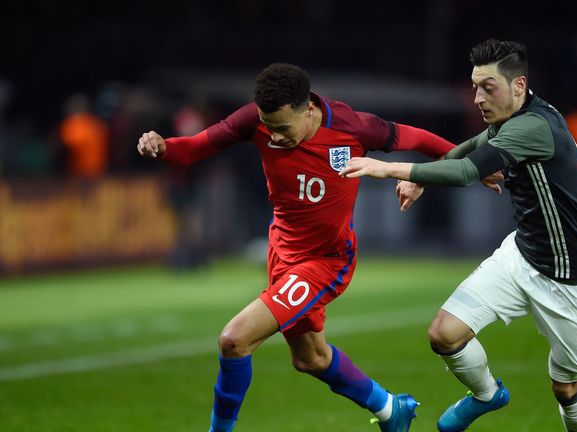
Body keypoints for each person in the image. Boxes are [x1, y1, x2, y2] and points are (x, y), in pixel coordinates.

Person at [137, 63, 457, 432]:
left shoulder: (353, 126)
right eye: (268, 127)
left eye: (283, 128)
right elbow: (195, 147)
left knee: (233, 340)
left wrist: (470, 163)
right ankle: (391, 410)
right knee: (311, 358)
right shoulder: (253, 119)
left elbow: (420, 139)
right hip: (281, 253)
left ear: (309, 110)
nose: (274, 135)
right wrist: (162, 147)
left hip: (324, 261)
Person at [341, 39, 577, 432]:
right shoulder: (513, 118)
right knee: (444, 334)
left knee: (566, 388)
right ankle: (487, 394)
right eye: (474, 87)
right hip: (522, 257)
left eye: (489, 88)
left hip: (573, 277)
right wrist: (425, 181)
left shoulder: (535, 126)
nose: (477, 98)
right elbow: (472, 147)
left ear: (518, 86)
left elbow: (469, 172)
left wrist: (389, 169)